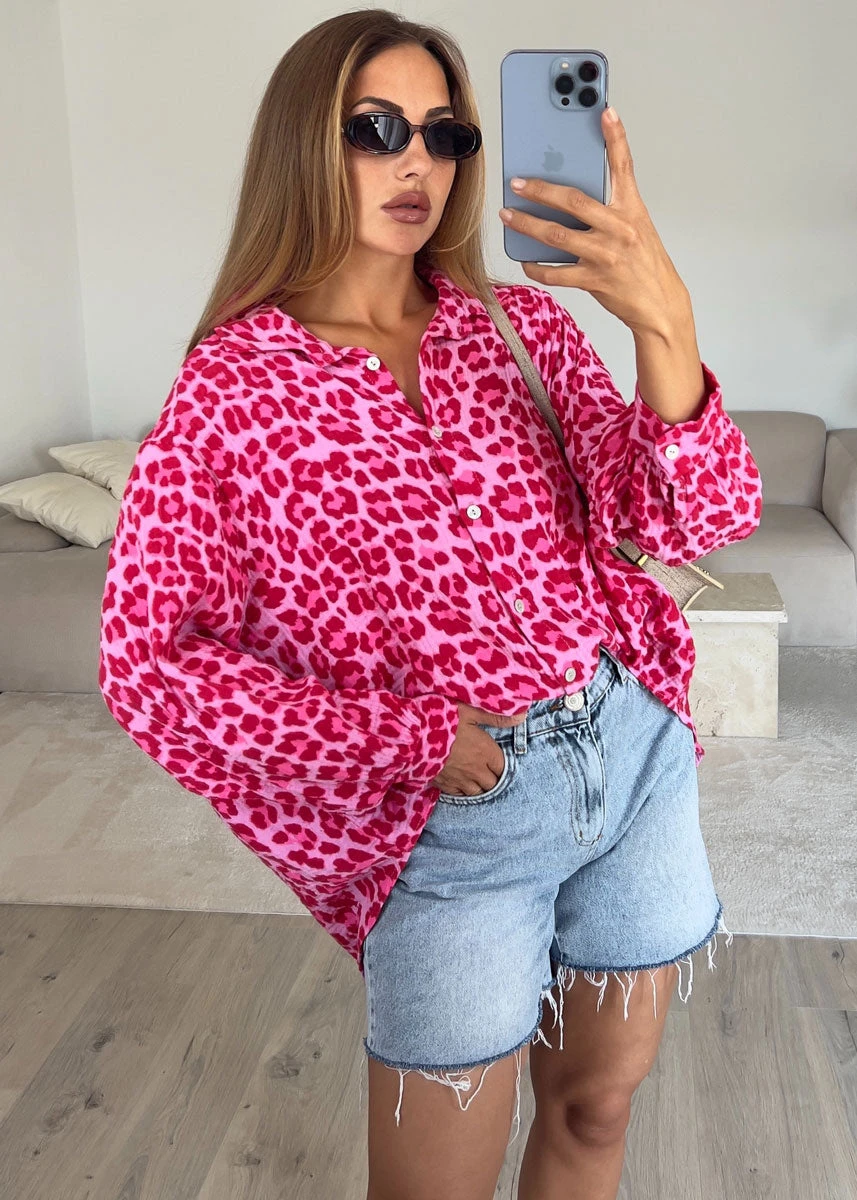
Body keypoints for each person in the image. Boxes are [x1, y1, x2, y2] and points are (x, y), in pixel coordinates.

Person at [98, 9, 762, 1200]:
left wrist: (662, 318)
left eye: (444, 133)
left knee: (598, 1108)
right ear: (305, 143)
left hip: (629, 758)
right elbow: (150, 669)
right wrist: (408, 741)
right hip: (451, 818)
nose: (417, 162)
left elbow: (688, 516)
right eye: (376, 130)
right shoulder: (232, 389)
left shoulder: (517, 325)